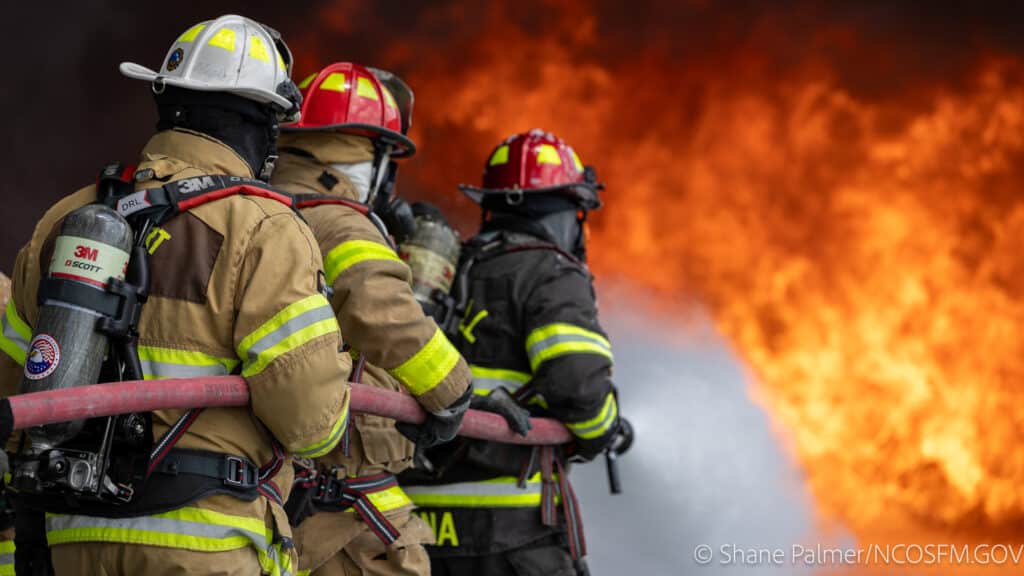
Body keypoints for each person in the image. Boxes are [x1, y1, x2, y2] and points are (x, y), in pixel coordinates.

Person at [0, 15, 351, 575]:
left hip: (67, 539)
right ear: (260, 121)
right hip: (203, 545)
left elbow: (16, 381)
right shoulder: (263, 228)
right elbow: (310, 422)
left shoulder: (68, 217)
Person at [270, 62, 473, 576]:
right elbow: (381, 309)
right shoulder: (340, 221)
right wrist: (455, 393)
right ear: (374, 161)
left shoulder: (254, 209)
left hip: (271, 489)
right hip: (344, 505)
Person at [402, 129, 622, 576]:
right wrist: (605, 428)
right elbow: (579, 387)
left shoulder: (451, 269)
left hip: (419, 529)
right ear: (566, 214)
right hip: (510, 535)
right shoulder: (551, 273)